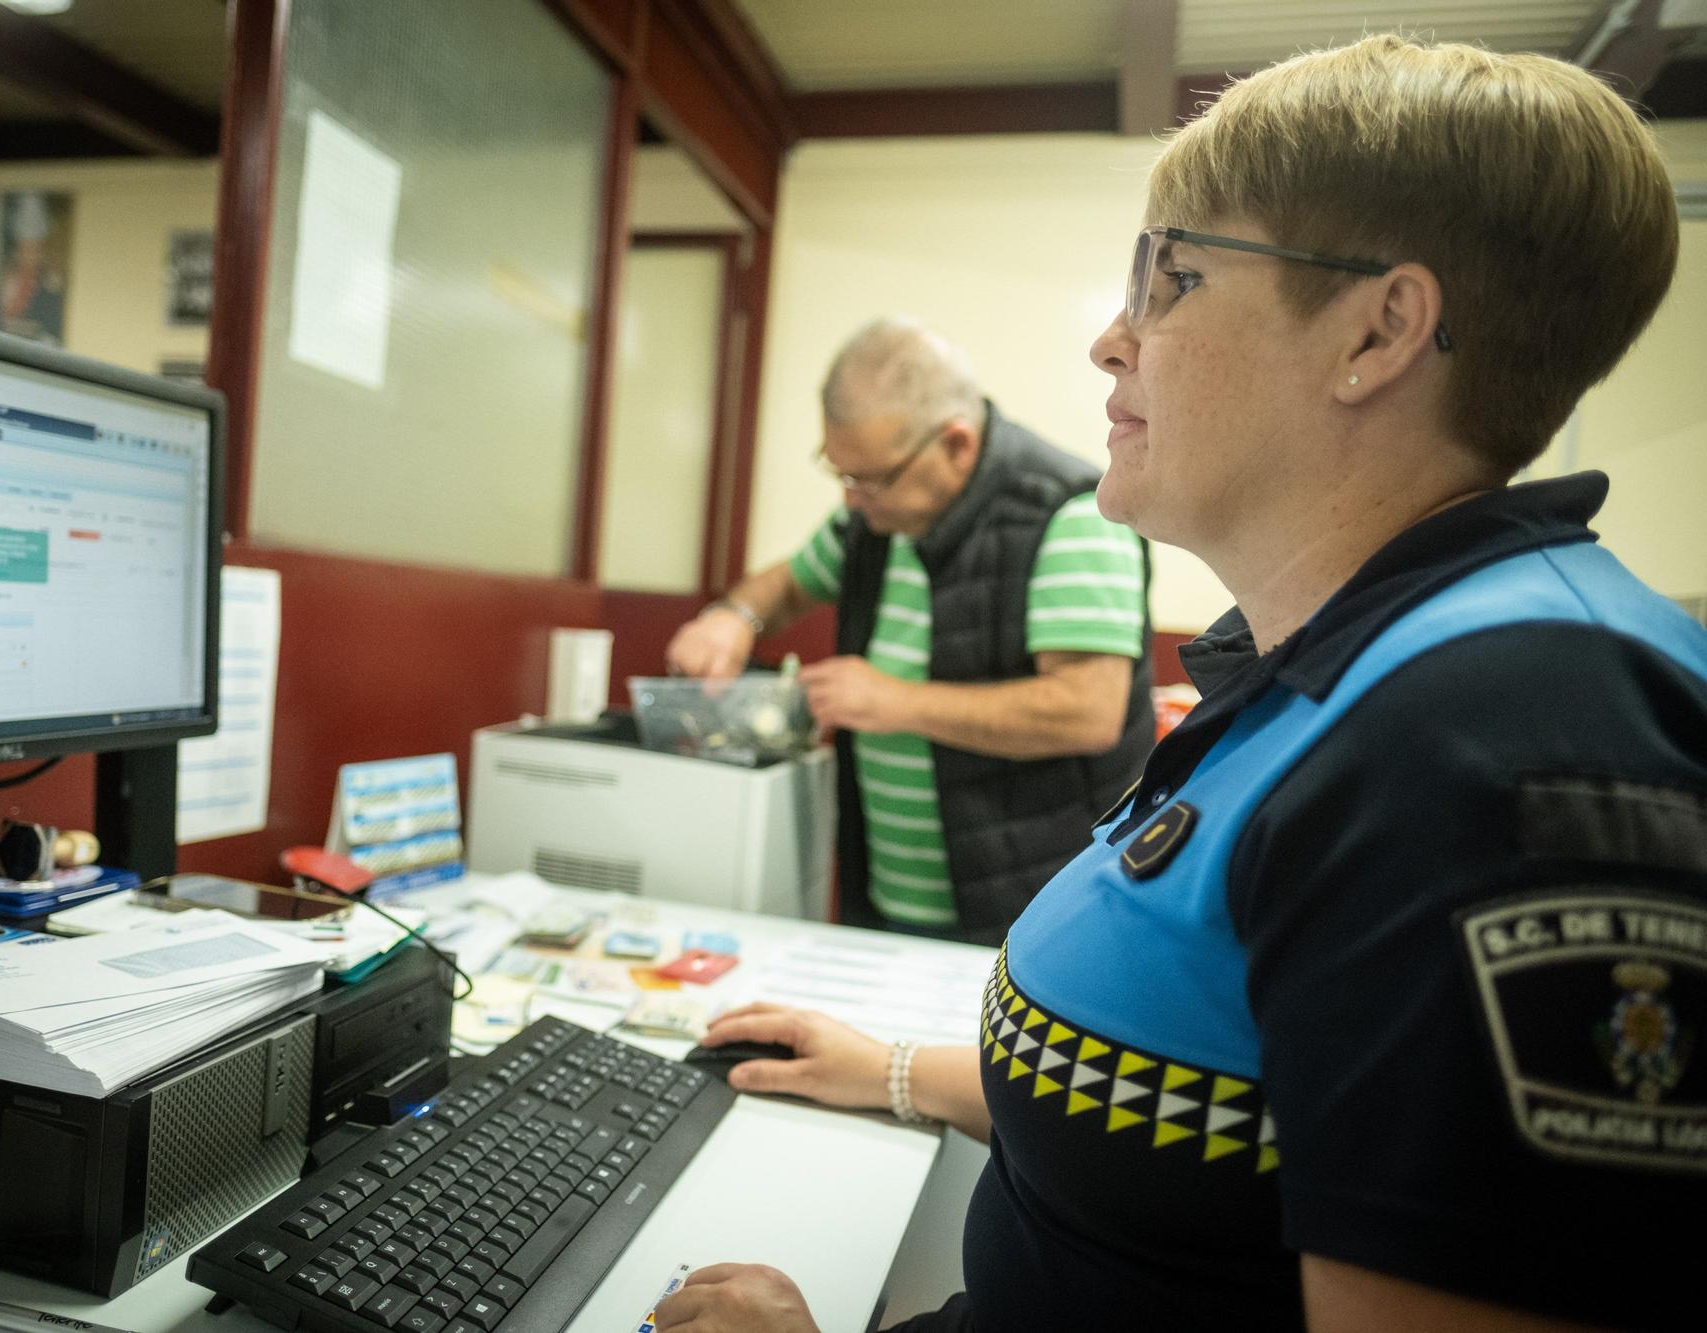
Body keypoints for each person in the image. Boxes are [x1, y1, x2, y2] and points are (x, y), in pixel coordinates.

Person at [658, 33, 1705, 1332]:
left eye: (1176, 277)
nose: (1112, 341)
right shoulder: (1332, 669)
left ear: (1380, 331)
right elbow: (1228, 1114)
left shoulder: (1512, 732)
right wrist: (898, 1074)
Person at [664, 319, 1155, 944]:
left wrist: (894, 702)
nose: (850, 501)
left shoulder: (1071, 514)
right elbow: (787, 587)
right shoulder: (876, 514)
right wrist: (734, 618)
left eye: (870, 479)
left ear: (955, 444)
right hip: (888, 898)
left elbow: (1087, 712)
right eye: (839, 474)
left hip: (1030, 910)